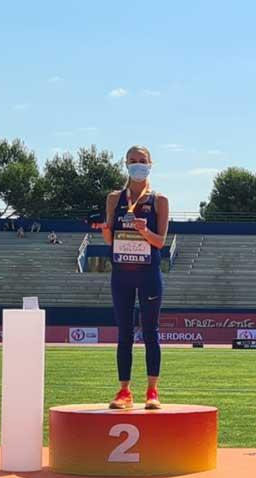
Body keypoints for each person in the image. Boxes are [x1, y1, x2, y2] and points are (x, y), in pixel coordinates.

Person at [94, 145, 170, 410]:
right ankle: (124, 391)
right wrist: (104, 229)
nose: (137, 165)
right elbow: (110, 239)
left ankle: (152, 391)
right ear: (125, 164)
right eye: (132, 161)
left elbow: (161, 242)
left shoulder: (159, 200)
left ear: (151, 164)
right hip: (121, 274)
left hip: (149, 274)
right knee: (124, 333)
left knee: (151, 332)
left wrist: (144, 231)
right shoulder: (114, 198)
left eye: (142, 161)